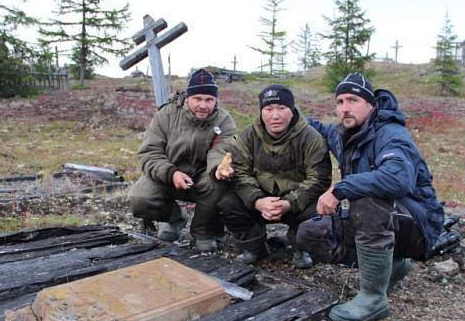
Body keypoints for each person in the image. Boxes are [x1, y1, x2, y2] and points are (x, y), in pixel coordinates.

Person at [296, 72, 445, 321]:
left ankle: (374, 298)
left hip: (418, 225)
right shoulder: (343, 134)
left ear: (370, 104)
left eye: (353, 100)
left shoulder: (391, 134)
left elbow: (398, 179)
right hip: (389, 223)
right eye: (340, 102)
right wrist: (286, 115)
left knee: (367, 201)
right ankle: (392, 266)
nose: (345, 108)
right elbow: (318, 127)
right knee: (310, 232)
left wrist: (339, 189)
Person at [219, 84, 331, 267]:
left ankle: (300, 247)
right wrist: (257, 200)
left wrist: (289, 203)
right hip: (260, 198)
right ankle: (254, 247)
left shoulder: (311, 137)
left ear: (292, 110)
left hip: (296, 201)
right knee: (228, 201)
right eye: (269, 109)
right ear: (261, 112)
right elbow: (239, 171)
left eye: (282, 108)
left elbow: (319, 179)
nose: (275, 115)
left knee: (319, 210)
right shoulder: (248, 135)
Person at [128, 68, 236, 251]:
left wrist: (218, 169)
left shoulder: (224, 120)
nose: (203, 105)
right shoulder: (166, 114)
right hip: (168, 174)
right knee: (139, 198)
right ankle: (175, 218)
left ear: (216, 100)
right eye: (198, 99)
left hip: (203, 177)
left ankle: (204, 232)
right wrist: (171, 174)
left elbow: (221, 151)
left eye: (209, 100)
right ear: (188, 97)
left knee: (219, 185)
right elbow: (150, 152)